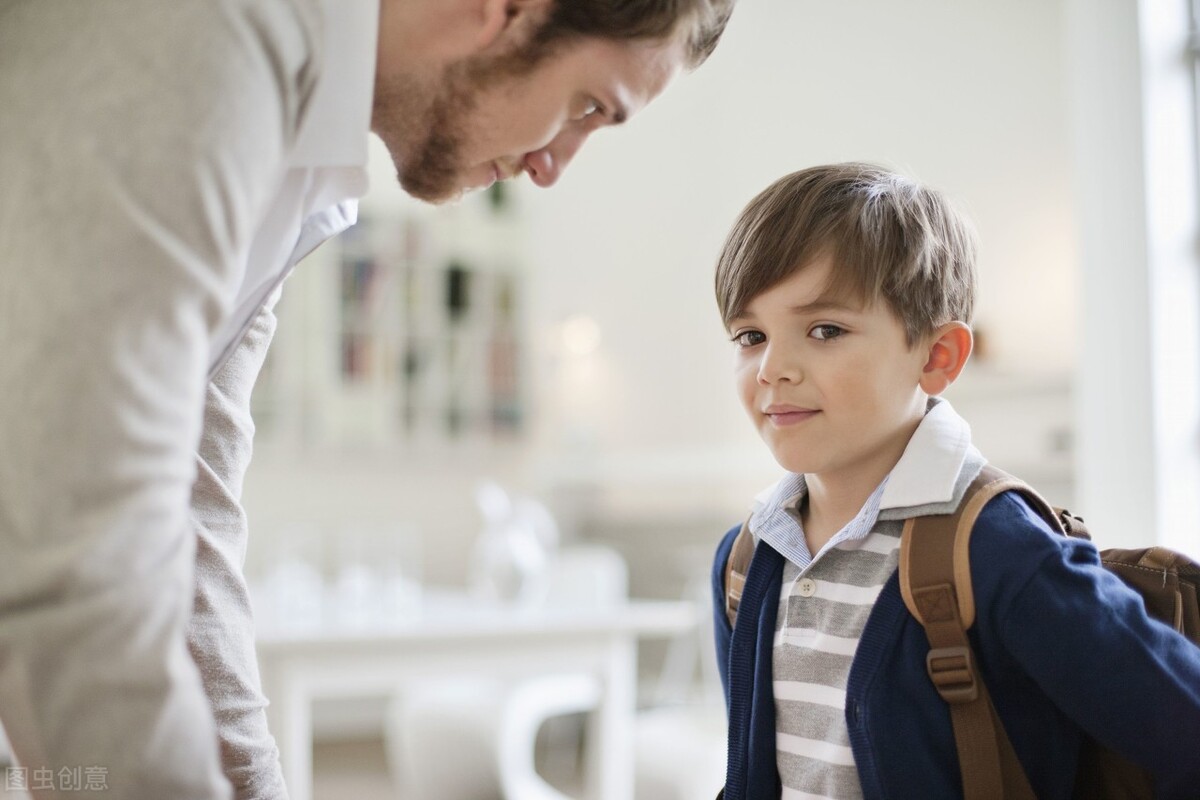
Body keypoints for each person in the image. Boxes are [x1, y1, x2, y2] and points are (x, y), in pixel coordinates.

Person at [0, 0, 736, 797]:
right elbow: (80, 546)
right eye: (588, 107)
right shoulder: (208, 37)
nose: (554, 164)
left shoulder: (299, 170)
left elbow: (192, 512)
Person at [708, 163, 1200, 799]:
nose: (773, 369)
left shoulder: (1000, 550)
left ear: (938, 356)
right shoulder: (747, 559)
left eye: (824, 330)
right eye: (751, 335)